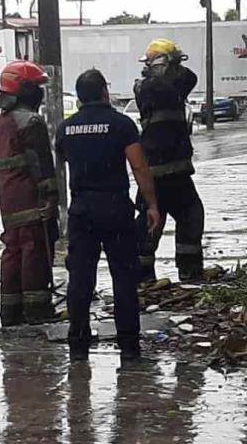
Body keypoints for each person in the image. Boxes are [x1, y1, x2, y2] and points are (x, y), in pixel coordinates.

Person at [56, 69, 161, 363]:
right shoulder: (122, 125)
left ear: (79, 97)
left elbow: (63, 165)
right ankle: (128, 344)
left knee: (80, 278)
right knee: (124, 277)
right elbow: (139, 167)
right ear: (104, 92)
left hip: (81, 212)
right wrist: (152, 204)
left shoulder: (65, 128)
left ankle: (78, 342)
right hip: (115, 209)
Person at [0, 60, 59, 326]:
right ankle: (37, 311)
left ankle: (11, 312)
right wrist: (50, 200)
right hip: (31, 200)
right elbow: (42, 167)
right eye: (37, 87)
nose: (40, 93)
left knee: (13, 252)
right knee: (35, 251)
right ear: (25, 89)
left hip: (8, 201)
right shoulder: (30, 122)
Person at [134, 39, 204, 283]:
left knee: (191, 217)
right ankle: (142, 277)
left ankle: (190, 272)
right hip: (154, 170)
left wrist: (173, 59)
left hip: (177, 169)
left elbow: (190, 77)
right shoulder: (145, 87)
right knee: (150, 223)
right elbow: (163, 87)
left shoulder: (175, 83)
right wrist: (166, 63)